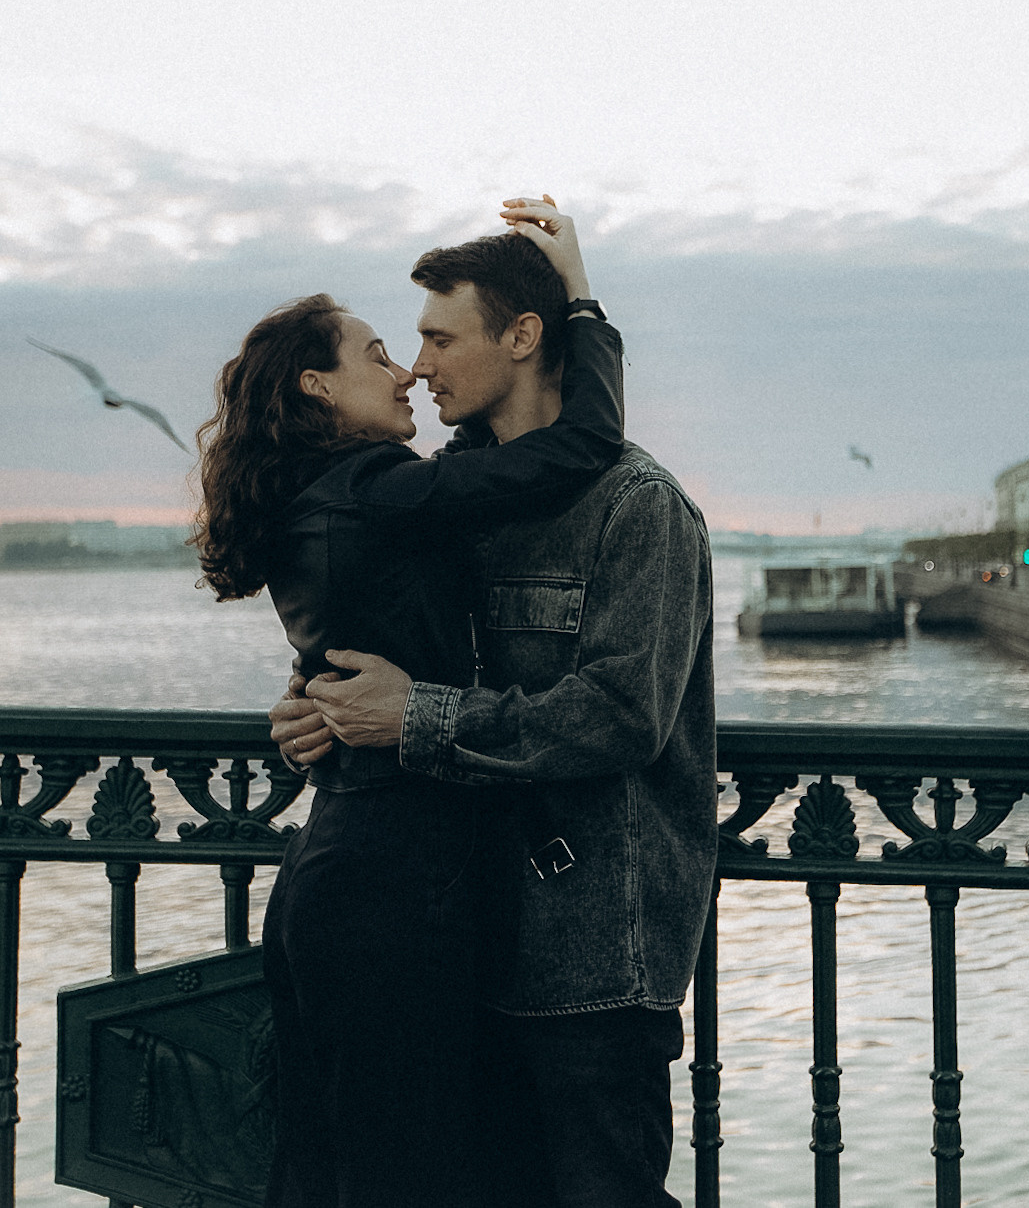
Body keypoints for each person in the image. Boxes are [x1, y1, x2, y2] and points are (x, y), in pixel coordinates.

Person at [191, 196, 623, 1208]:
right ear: (318, 386)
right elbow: (583, 444)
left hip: (344, 872)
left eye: (423, 345)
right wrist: (583, 304)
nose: (407, 371)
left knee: (329, 1165)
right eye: (381, 352)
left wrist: (304, 708)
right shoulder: (374, 487)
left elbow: (358, 636)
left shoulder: (322, 498)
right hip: (391, 891)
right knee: (408, 1172)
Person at [275, 231, 714, 1208]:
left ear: (521, 334)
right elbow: (392, 638)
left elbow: (618, 716)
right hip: (455, 937)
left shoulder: (636, 506)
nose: (419, 364)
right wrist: (319, 701)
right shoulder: (446, 495)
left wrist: (411, 716)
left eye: (437, 336)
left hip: (591, 962)